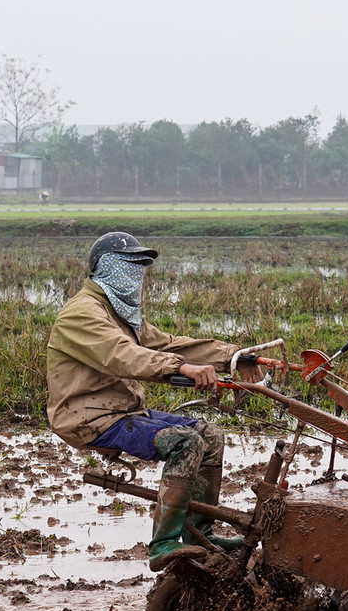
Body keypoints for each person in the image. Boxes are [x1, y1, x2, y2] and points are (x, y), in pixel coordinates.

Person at [46, 232, 261, 571]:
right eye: (130, 266)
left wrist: (233, 355)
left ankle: (199, 536)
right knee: (187, 443)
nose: (137, 275)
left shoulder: (119, 312)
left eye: (141, 268)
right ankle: (163, 545)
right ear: (107, 268)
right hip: (89, 417)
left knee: (211, 435)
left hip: (123, 412)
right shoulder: (83, 313)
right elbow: (124, 356)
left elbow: (169, 344)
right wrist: (180, 368)